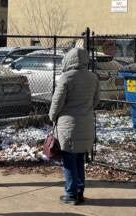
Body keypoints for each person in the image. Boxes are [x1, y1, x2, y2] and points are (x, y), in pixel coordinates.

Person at [49, 48, 100, 205]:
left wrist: (52, 117)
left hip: (68, 126)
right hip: (86, 123)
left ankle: (70, 193)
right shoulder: (93, 78)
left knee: (69, 161)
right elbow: (96, 100)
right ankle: (79, 191)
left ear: (69, 60)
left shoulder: (66, 78)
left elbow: (57, 103)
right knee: (79, 159)